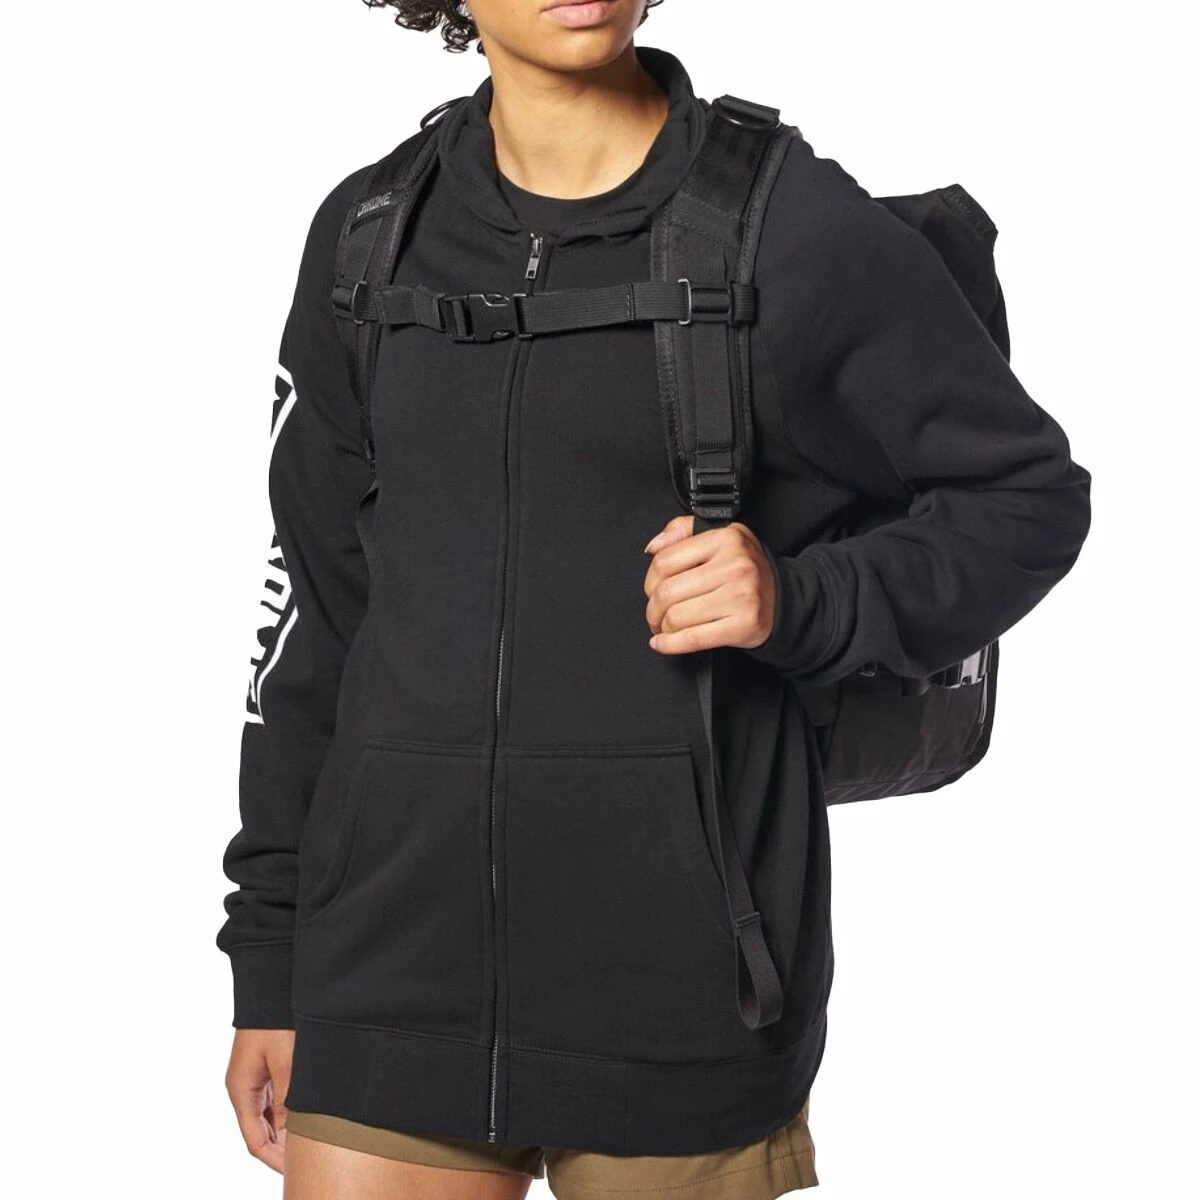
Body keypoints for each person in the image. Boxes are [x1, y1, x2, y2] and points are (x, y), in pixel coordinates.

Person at [216, 2, 1093, 1197]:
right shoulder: (370, 237)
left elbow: (1026, 497)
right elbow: (314, 619)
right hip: (385, 981)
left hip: (688, 993)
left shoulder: (791, 226)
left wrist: (802, 598)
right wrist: (270, 959)